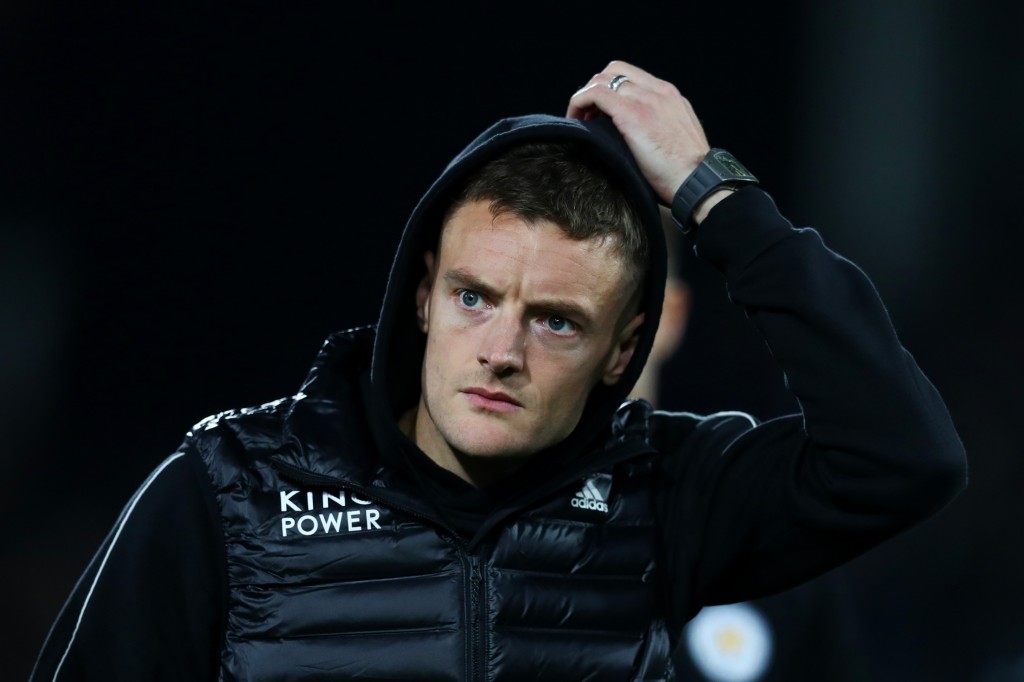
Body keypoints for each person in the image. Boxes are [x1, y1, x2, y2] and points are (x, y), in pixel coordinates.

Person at [30, 60, 967, 681]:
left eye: (557, 321)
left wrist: (712, 192)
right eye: (477, 298)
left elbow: (904, 458)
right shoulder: (229, 485)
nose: (502, 351)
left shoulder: (665, 493)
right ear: (424, 293)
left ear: (623, 348)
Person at [631, 209, 872, 682]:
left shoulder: (765, 524)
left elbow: (915, 463)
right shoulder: (475, 518)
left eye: (620, 299)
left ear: (669, 314)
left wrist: (711, 188)